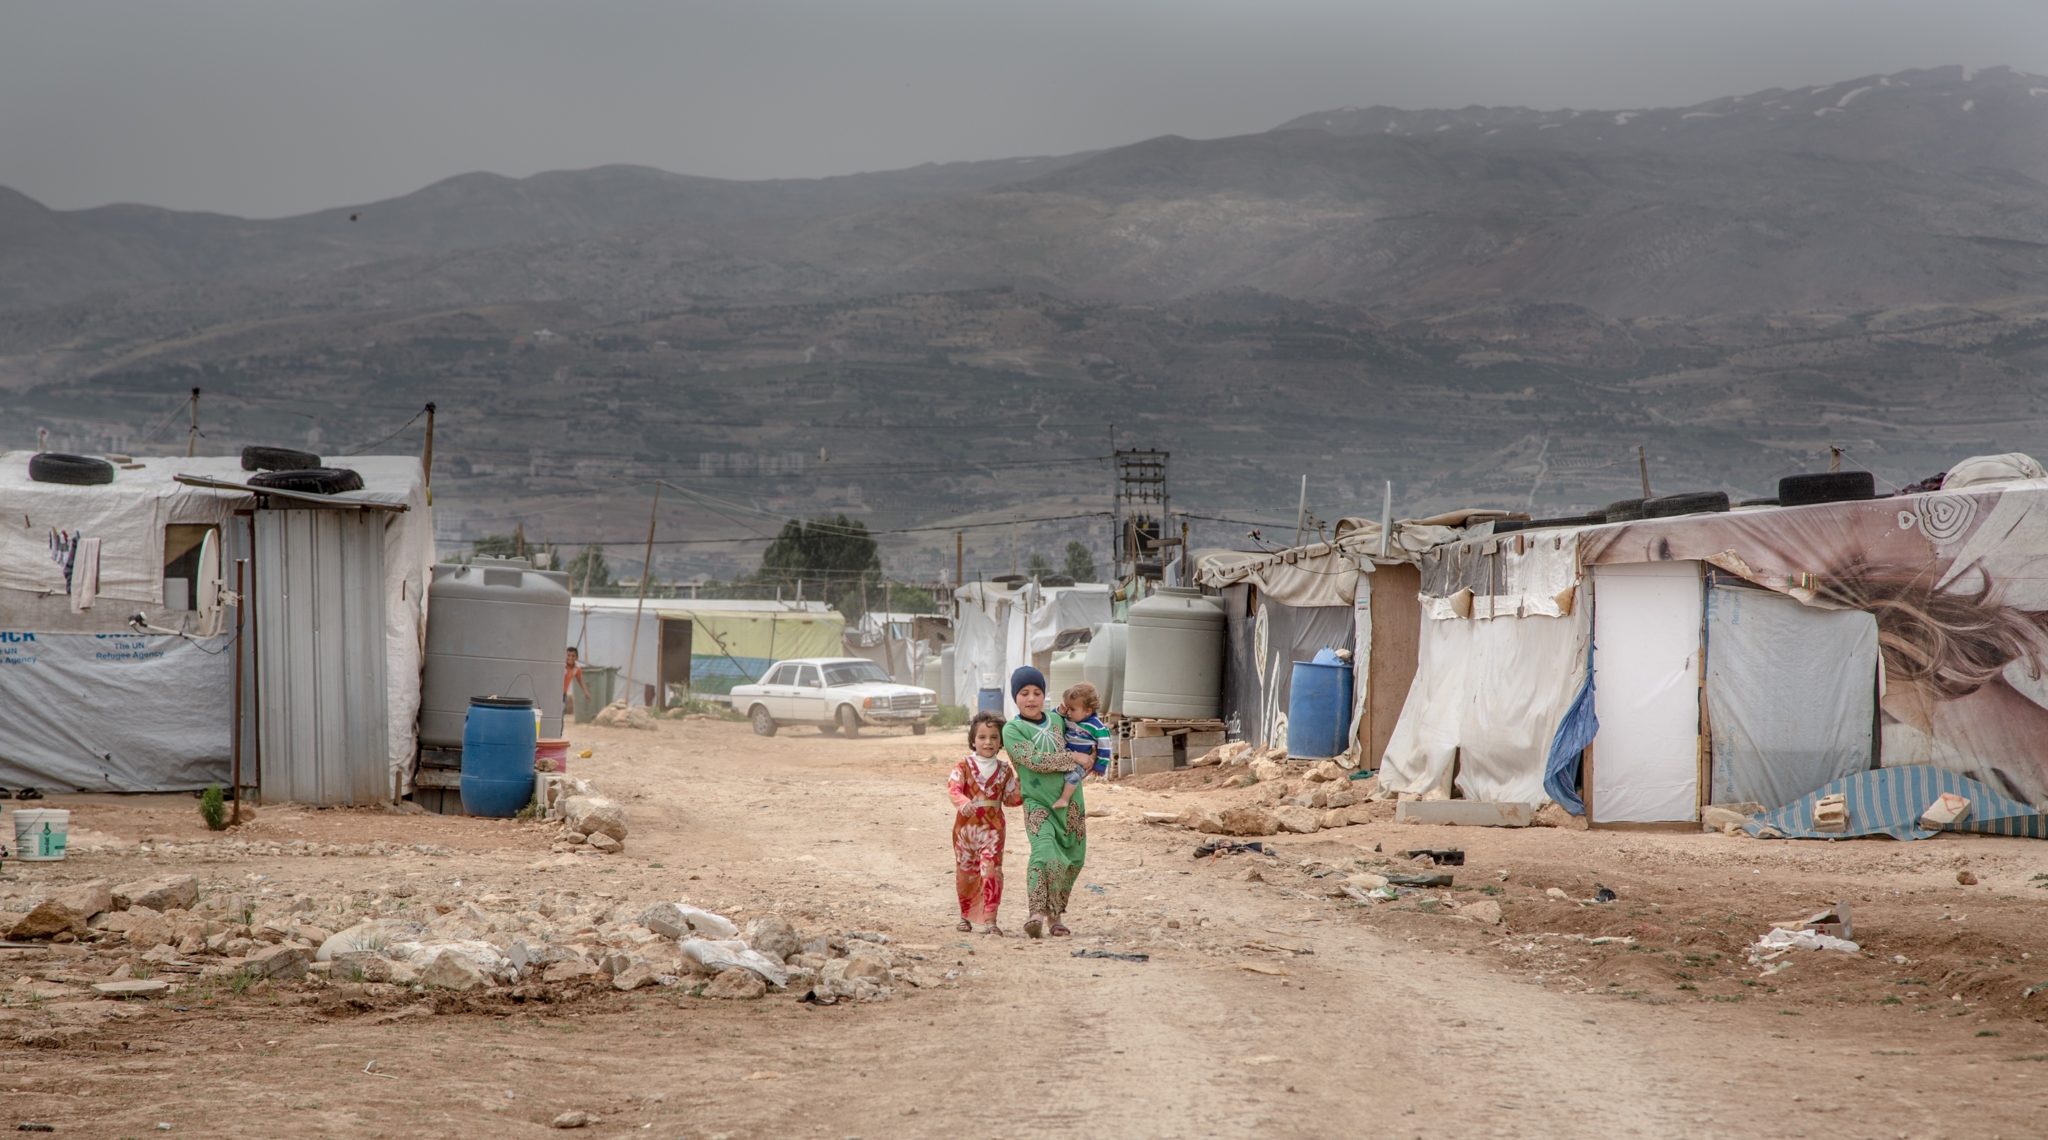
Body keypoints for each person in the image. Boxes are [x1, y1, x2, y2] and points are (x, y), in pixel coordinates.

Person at [1001, 665, 1089, 939]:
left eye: (1037, 692)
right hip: (1038, 805)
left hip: (1071, 803)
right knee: (1045, 853)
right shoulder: (1013, 730)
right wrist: (1073, 758)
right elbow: (1034, 760)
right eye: (1024, 693)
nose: (1031, 699)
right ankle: (1036, 913)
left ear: (1044, 695)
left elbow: (1087, 735)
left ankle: (1056, 915)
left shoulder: (1058, 720)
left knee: (1073, 859)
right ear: (1015, 697)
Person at [948, 711, 1022, 934]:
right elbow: (953, 788)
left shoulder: (1005, 770)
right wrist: (962, 801)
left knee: (991, 870)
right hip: (965, 830)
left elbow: (1010, 799)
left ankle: (991, 920)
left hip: (993, 830)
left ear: (1001, 742)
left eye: (993, 737)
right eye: (982, 737)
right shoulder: (963, 765)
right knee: (966, 872)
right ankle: (965, 916)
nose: (988, 742)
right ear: (973, 740)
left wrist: (1026, 784)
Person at [1050, 682, 1111, 811]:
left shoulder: (1096, 726)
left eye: (1072, 709)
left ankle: (1064, 799)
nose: (1069, 713)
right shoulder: (1069, 719)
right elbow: (1052, 717)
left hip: (1083, 762)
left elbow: (1105, 746)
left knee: (1073, 777)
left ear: (1088, 711)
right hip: (1066, 754)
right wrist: (1059, 711)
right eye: (1067, 708)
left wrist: (1100, 766)